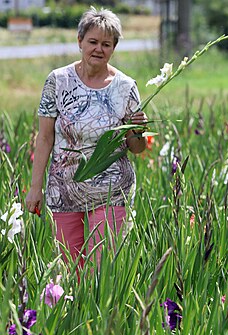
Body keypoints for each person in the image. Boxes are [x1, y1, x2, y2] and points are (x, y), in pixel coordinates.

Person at [25, 7, 148, 271]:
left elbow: (137, 148)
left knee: (100, 272)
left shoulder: (126, 87)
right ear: (79, 41)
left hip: (112, 191)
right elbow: (45, 138)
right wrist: (35, 187)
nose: (98, 49)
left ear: (113, 48)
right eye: (92, 42)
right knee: (69, 270)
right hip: (64, 189)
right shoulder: (57, 81)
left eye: (106, 44)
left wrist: (138, 131)